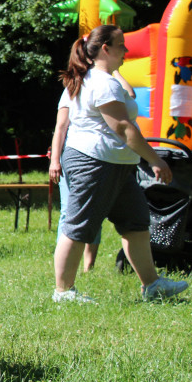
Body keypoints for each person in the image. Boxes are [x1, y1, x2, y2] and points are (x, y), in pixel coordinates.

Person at [53, 24, 189, 303]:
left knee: (136, 223)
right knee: (79, 226)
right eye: (121, 44)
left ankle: (152, 285)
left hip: (116, 164)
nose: (126, 50)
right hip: (94, 163)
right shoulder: (102, 83)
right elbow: (124, 128)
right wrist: (156, 160)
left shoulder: (101, 79)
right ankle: (63, 292)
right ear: (106, 48)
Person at [49, 67, 135, 272]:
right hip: (77, 156)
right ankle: (64, 266)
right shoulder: (73, 88)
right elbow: (60, 127)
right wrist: (55, 161)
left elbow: (131, 95)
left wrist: (115, 71)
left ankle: (88, 265)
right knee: (70, 213)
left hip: (104, 158)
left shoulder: (108, 83)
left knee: (94, 213)